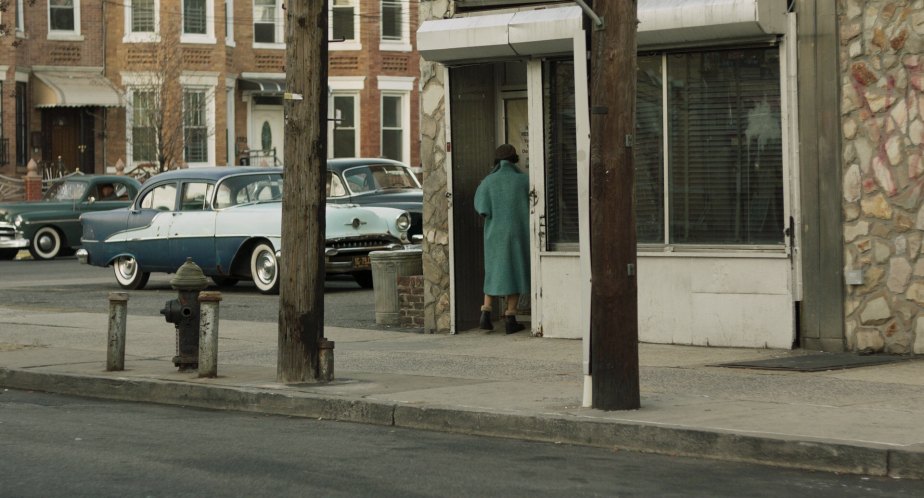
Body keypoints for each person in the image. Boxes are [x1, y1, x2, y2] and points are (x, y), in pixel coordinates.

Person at [474, 144, 530, 334]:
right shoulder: (524, 180)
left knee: (494, 271)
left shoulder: (488, 182)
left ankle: (486, 313)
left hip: (494, 234)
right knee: (514, 270)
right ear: (515, 159)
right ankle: (511, 317)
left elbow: (482, 208)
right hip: (518, 233)